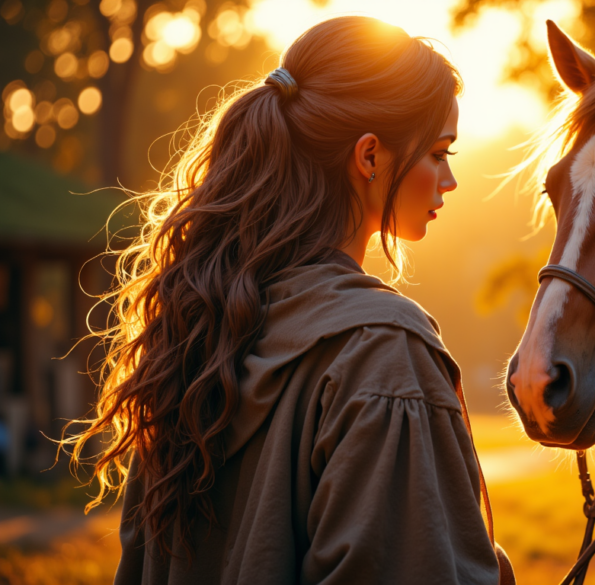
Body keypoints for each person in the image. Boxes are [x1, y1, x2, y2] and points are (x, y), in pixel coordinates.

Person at [66, 16, 514, 585]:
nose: (450, 181)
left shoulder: (197, 329)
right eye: (440, 152)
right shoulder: (383, 352)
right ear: (370, 157)